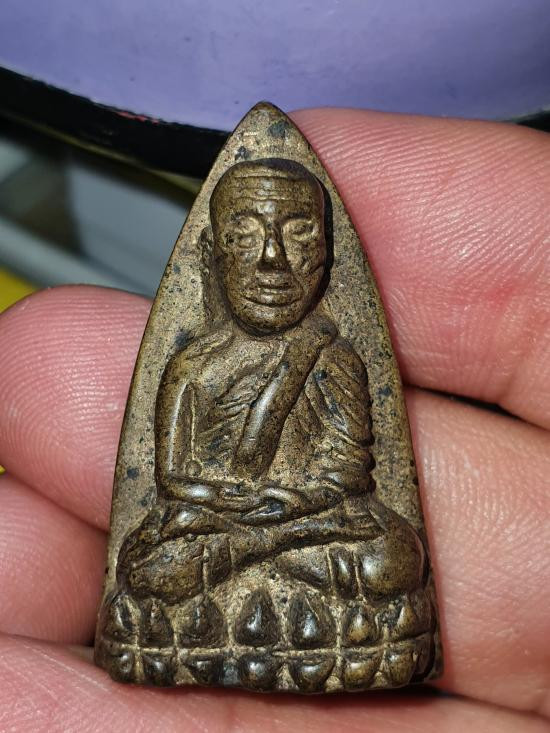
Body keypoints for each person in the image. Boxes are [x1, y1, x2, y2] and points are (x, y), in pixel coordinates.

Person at [0, 108, 548, 727]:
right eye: (245, 234)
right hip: (221, 524)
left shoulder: (332, 356)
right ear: (214, 253)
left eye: (299, 235)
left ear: (327, 253)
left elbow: (349, 471)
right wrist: (232, 504)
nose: (271, 261)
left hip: (311, 522)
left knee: (392, 560)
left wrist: (290, 508)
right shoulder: (192, 366)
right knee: (149, 567)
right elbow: (173, 478)